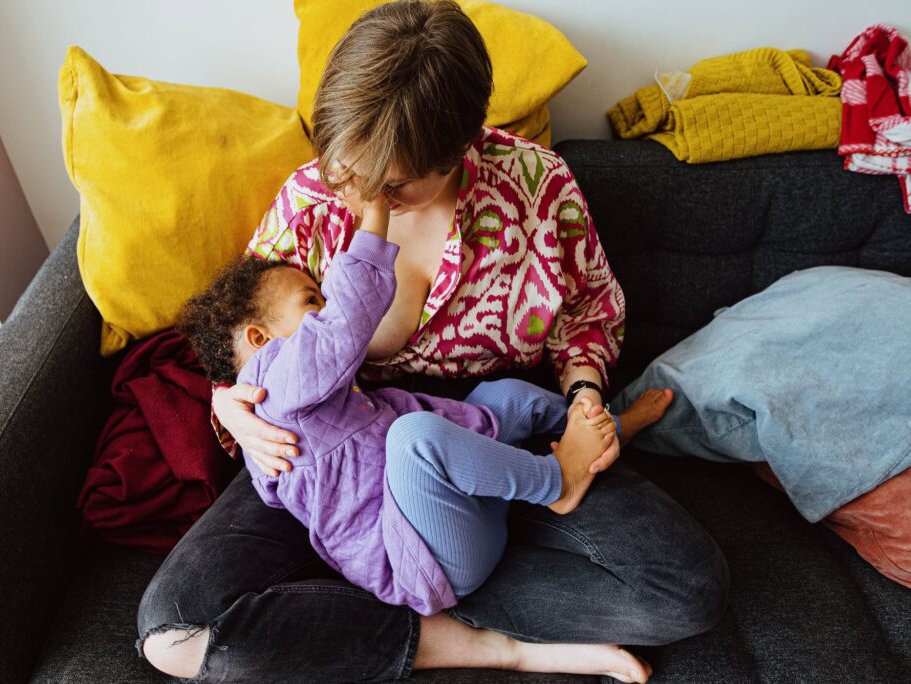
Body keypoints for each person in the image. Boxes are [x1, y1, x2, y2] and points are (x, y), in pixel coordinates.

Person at [137, 2, 726, 682]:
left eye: (390, 186)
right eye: (345, 170)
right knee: (173, 631)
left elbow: (590, 313)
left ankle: (381, 598)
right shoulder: (310, 200)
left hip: (482, 433)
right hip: (333, 452)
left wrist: (587, 400)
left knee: (688, 589)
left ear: (461, 145)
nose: (359, 195)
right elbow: (242, 331)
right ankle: (468, 638)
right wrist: (230, 403)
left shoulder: (535, 187)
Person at [177, 196, 638, 614]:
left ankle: (600, 429)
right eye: (311, 300)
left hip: (465, 501)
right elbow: (345, 322)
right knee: (413, 436)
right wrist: (375, 215)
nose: (326, 304)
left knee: (507, 396)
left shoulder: (314, 396)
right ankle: (559, 480)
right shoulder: (276, 385)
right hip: (430, 558)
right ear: (261, 340)